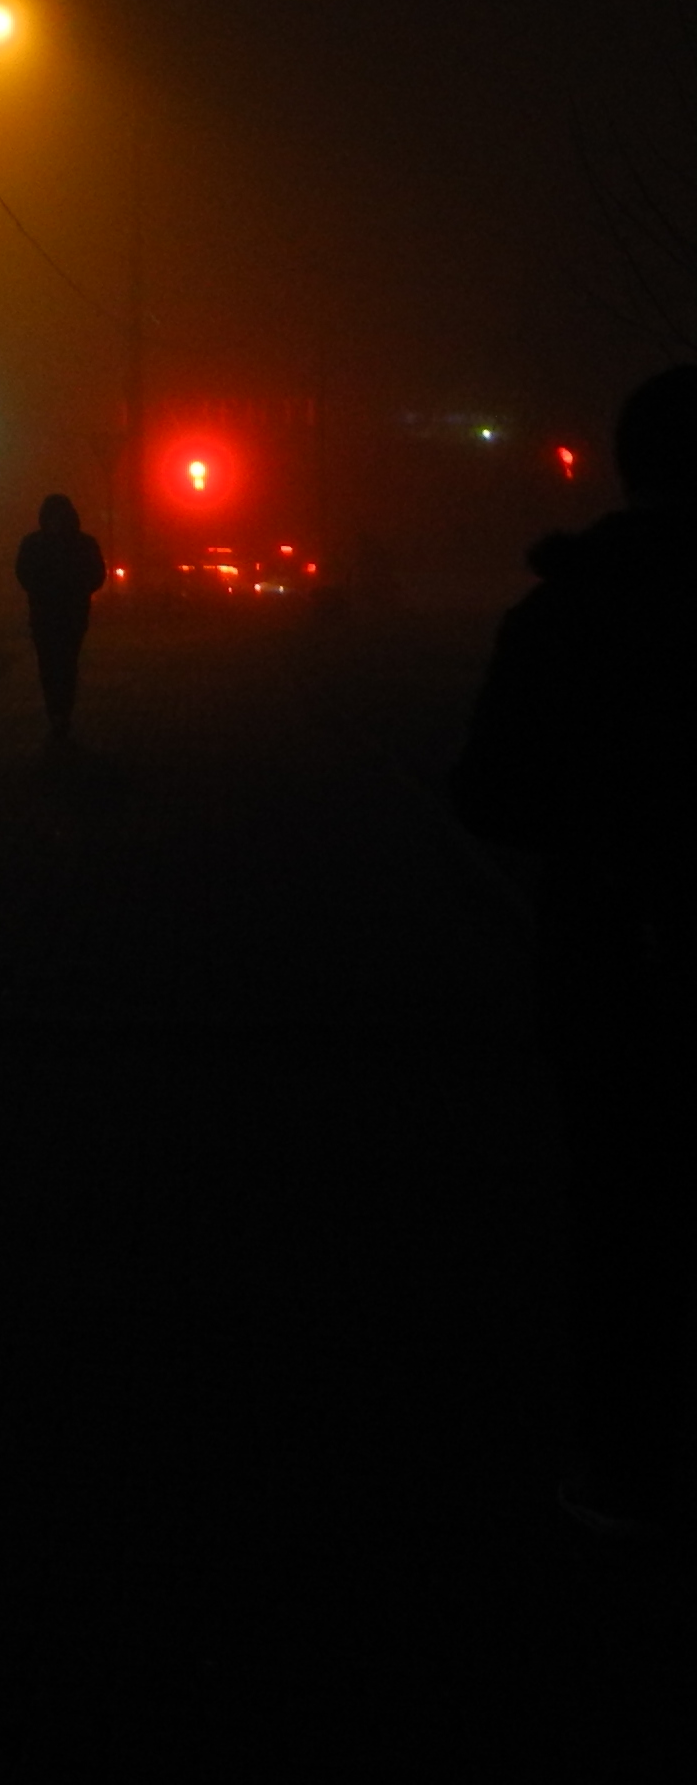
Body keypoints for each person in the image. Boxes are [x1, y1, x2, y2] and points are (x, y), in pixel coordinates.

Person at [452, 362, 697, 1542]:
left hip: (608, 953)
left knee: (620, 1210)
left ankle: (631, 1465)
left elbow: (488, 794)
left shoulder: (564, 613)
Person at [12, 492, 108, 740]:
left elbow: (22, 572)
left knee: (54, 664)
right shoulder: (84, 544)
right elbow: (97, 574)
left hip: (48, 613)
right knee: (63, 663)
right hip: (70, 613)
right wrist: (80, 589)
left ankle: (57, 711)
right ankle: (61, 711)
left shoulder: (33, 544)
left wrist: (41, 589)